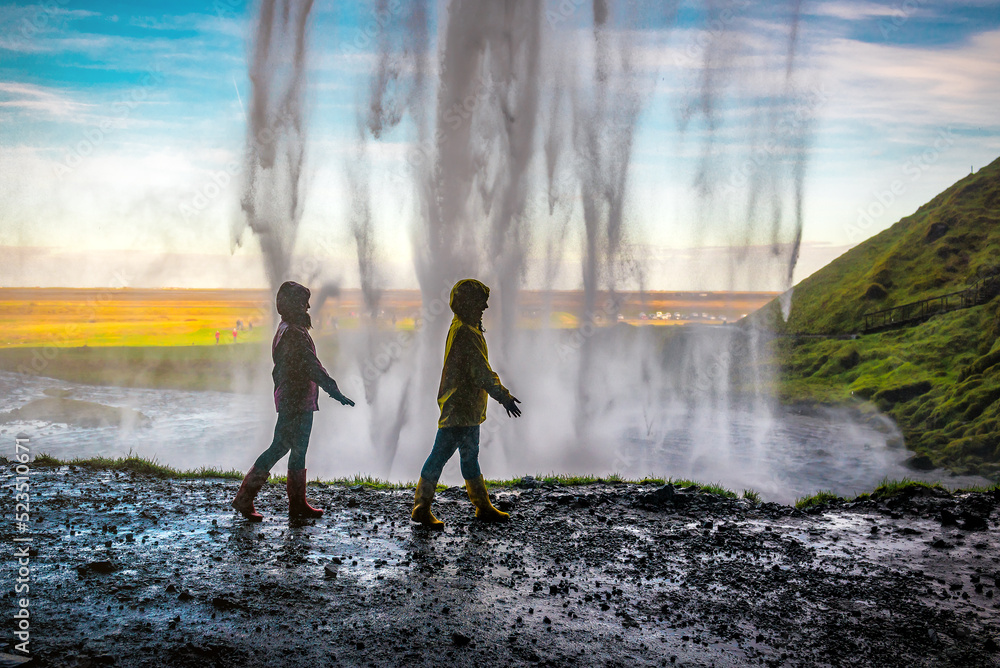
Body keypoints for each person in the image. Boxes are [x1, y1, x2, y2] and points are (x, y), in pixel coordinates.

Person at [232, 281, 355, 521]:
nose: (308, 306)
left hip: (294, 398)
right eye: (303, 301)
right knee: (281, 447)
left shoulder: (287, 329)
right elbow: (311, 366)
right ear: (294, 305)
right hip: (296, 399)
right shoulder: (295, 333)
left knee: (296, 449)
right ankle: (247, 498)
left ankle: (296, 503)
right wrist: (335, 390)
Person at [411, 278, 522, 529]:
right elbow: (481, 371)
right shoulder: (466, 332)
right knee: (440, 456)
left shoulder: (461, 326)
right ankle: (422, 507)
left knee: (469, 457)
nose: (485, 307)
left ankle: (481, 506)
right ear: (469, 303)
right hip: (461, 409)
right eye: (481, 302)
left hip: (464, 408)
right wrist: (503, 396)